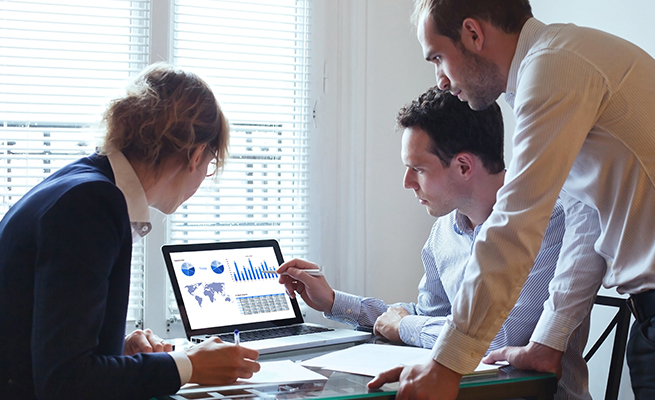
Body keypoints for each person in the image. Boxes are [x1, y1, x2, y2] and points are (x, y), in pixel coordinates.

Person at [369, 1, 655, 399]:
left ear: (473, 34)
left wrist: (447, 364)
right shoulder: (555, 66)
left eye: (438, 58)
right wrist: (547, 343)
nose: (441, 80)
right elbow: (586, 220)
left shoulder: (554, 68)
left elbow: (514, 224)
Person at [278, 86, 593, 399]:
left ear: (464, 167)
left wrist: (405, 327)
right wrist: (333, 301)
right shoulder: (444, 231)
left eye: (418, 169)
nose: (407, 182)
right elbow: (428, 316)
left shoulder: (550, 221)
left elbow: (496, 340)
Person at [0, 63, 261, 400]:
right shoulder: (92, 203)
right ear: (196, 155)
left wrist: (117, 350)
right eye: (210, 165)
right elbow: (65, 382)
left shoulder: (78, 182)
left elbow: (45, 342)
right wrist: (188, 366)